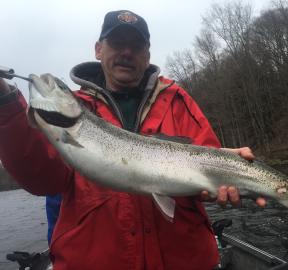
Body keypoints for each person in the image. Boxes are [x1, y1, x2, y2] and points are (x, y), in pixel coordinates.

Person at [0, 10, 257, 270]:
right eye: (117, 44)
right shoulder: (75, 117)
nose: (126, 52)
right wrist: (6, 101)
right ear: (98, 49)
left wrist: (222, 179)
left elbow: (206, 158)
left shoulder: (178, 100)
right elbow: (41, 177)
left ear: (147, 55)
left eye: (136, 46)